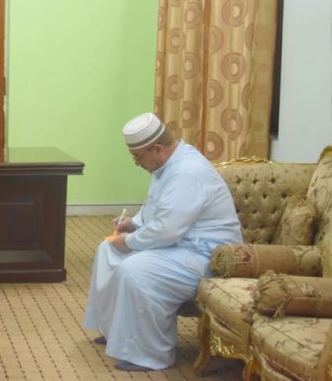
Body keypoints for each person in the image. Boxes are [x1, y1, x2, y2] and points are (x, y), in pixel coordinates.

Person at [82, 112, 242, 371]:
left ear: (157, 149)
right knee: (108, 250)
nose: (136, 163)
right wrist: (133, 223)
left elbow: (167, 229)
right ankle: (115, 332)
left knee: (135, 269)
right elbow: (157, 211)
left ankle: (149, 354)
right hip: (179, 245)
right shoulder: (166, 165)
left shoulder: (187, 171)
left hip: (207, 256)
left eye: (137, 157)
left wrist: (130, 241)